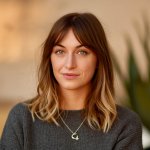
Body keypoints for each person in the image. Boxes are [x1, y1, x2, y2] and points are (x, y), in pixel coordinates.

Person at [0, 12, 143, 150]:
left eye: (82, 52)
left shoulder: (126, 124)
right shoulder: (22, 119)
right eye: (60, 51)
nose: (69, 64)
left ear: (99, 59)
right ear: (49, 59)